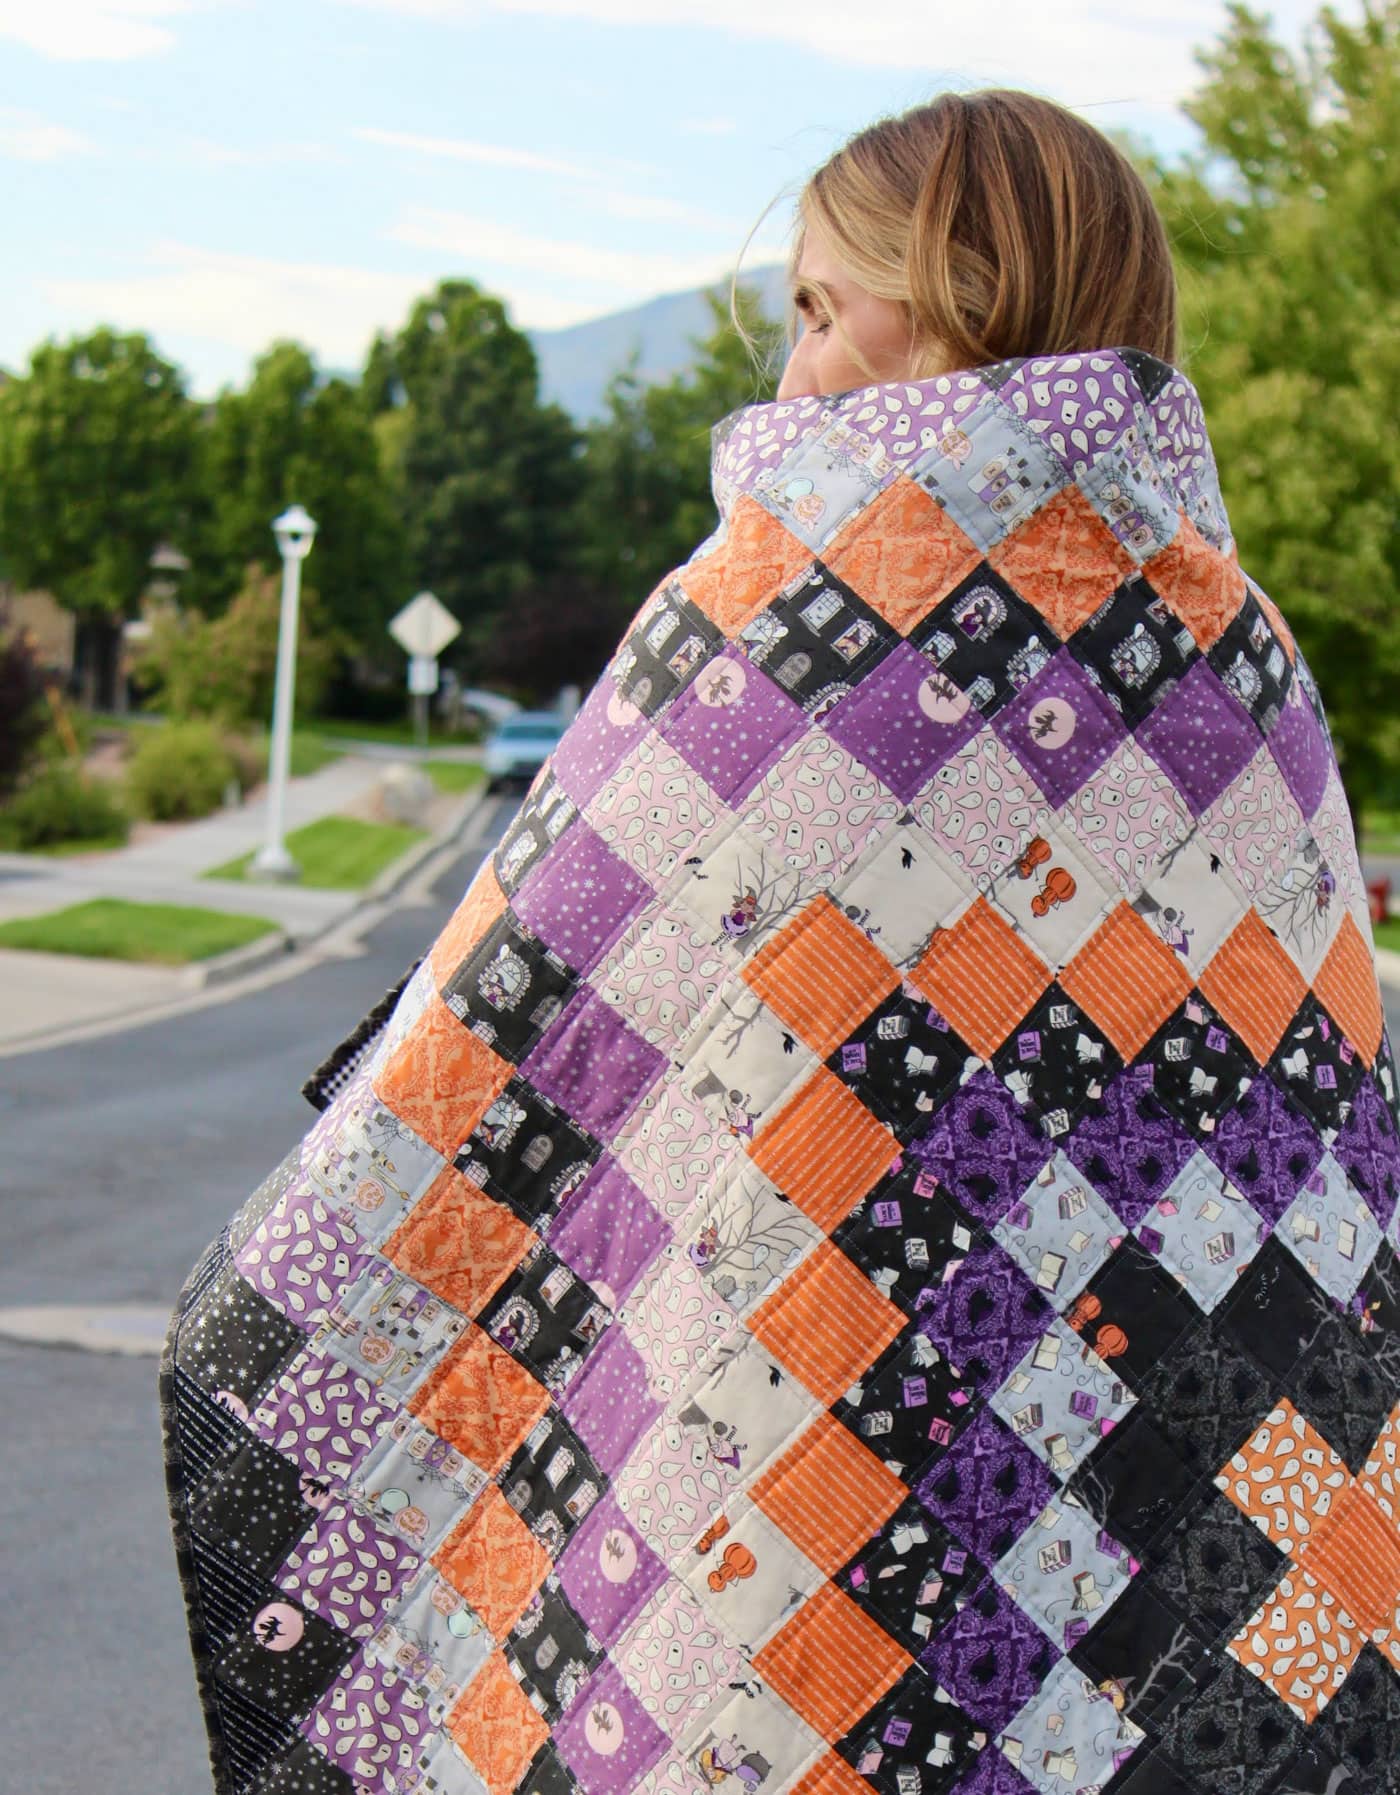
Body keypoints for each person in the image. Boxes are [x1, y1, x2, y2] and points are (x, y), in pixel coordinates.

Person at [161, 89, 1400, 1795]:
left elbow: (509, 1050)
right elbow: (1317, 1173)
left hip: (750, 1520)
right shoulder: (1242, 668)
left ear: (965, 295)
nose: (793, 375)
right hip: (1137, 1552)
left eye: (824, 309)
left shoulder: (761, 623)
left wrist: (295, 1308)